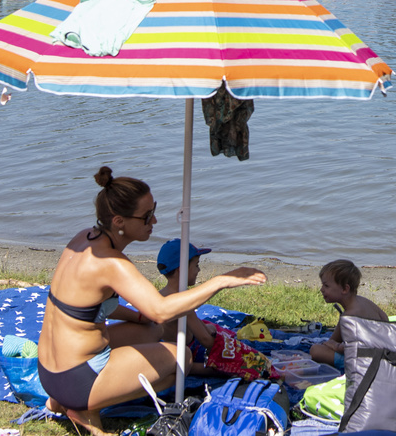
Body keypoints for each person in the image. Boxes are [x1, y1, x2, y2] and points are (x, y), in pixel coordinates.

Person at [38, 167, 265, 436]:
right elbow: (161, 311)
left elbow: (88, 307)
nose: (154, 220)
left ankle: (67, 402)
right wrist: (221, 281)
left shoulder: (84, 238)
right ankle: (83, 407)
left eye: (153, 210)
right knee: (181, 358)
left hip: (50, 370)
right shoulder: (111, 263)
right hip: (77, 378)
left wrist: (137, 317)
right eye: (146, 216)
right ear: (119, 221)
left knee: (152, 330)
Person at [152, 240, 218, 376]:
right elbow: (206, 340)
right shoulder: (182, 301)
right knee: (220, 368)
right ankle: (188, 368)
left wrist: (209, 330)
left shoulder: (160, 295)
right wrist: (223, 346)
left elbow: (198, 325)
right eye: (196, 265)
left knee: (211, 328)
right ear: (181, 269)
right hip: (184, 352)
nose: (199, 270)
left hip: (165, 347)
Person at [309, 260, 388, 367]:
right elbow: (384, 317)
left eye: (326, 286)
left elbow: (350, 348)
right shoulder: (365, 302)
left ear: (345, 289)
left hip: (365, 362)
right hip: (383, 353)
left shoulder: (349, 316)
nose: (321, 289)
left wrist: (336, 346)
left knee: (315, 350)